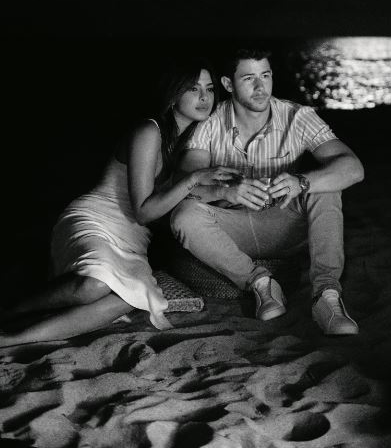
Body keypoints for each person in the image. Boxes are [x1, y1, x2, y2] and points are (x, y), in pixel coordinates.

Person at [0, 59, 238, 346]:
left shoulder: (188, 146)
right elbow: (143, 211)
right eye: (193, 88)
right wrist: (195, 178)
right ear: (174, 94)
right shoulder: (149, 131)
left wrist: (225, 194)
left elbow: (172, 206)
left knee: (132, 297)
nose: (204, 97)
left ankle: (10, 339)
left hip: (133, 241)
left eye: (210, 89)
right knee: (95, 285)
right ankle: (10, 311)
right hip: (97, 220)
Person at [171, 46, 364, 335]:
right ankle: (260, 283)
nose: (261, 87)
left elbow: (353, 168)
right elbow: (187, 184)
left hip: (285, 225)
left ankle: (326, 296)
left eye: (266, 75)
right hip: (231, 229)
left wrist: (302, 182)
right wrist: (226, 191)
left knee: (326, 187)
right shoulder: (210, 122)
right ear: (228, 84)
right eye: (249, 78)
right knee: (183, 215)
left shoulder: (297, 116)